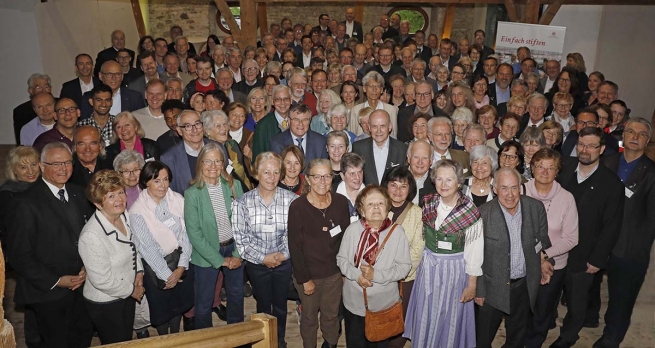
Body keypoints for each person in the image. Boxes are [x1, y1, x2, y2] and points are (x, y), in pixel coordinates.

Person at [7, 142, 94, 347]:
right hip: (49, 293)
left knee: (81, 339)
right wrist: (56, 280)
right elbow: (19, 254)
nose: (63, 168)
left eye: (67, 162)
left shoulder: (79, 193)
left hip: (83, 287)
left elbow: (90, 236)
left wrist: (88, 266)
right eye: (55, 164)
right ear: (42, 166)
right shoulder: (24, 202)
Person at [551, 127, 625, 348]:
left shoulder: (612, 184)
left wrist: (598, 259)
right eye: (581, 145)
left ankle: (568, 337)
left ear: (601, 149)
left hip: (584, 254)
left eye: (591, 146)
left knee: (576, 301)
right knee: (550, 295)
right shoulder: (564, 170)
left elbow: (612, 226)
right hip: (555, 249)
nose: (584, 150)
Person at [403, 159, 483, 347]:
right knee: (426, 314)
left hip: (454, 273)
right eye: (439, 179)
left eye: (449, 180)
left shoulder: (469, 211)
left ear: (458, 182)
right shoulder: (428, 202)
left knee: (449, 317)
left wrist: (472, 285)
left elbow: (475, 251)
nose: (443, 184)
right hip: (428, 270)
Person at [475, 167, 552, 348]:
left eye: (514, 188)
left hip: (523, 287)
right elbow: (475, 257)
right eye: (504, 188)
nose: (510, 194)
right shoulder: (482, 214)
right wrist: (479, 290)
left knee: (517, 338)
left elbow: (541, 241)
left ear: (521, 188)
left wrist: (544, 261)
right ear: (494, 189)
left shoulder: (535, 208)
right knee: (482, 339)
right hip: (492, 288)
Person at [597, 118, 655, 348]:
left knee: (621, 298)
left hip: (630, 248)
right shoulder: (607, 161)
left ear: (647, 141)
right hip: (602, 242)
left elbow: (652, 220)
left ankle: (612, 338)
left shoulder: (651, 173)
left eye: (641, 134)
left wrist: (638, 249)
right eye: (630, 131)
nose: (634, 136)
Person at [232, 152, 298, 348]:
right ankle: (262, 341)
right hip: (257, 265)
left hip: (283, 263)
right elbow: (242, 241)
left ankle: (279, 340)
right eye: (266, 172)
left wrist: (282, 255)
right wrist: (263, 258)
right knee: (262, 305)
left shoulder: (292, 200)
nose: (272, 177)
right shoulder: (242, 203)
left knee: (280, 305)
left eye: (276, 172)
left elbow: (294, 234)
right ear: (256, 174)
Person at [336, 185, 411, 347]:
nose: (376, 207)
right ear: (362, 211)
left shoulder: (397, 233)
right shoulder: (352, 230)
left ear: (387, 208)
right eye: (370, 204)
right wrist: (358, 276)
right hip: (354, 304)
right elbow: (341, 260)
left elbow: (404, 267)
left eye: (380, 203)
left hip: (383, 306)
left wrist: (375, 275)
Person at [288, 158, 350, 348]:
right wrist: (305, 279)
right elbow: (295, 247)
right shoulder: (298, 207)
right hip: (309, 276)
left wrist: (344, 272)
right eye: (317, 177)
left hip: (334, 274)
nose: (322, 181)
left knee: (331, 316)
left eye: (327, 176)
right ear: (308, 179)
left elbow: (345, 239)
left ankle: (330, 344)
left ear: (332, 178)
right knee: (308, 318)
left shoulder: (340, 202)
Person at [78, 170, 145, 344]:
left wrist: (139, 273)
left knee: (125, 339)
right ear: (98, 204)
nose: (120, 199)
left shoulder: (123, 216)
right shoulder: (91, 236)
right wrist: (133, 290)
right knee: (115, 342)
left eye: (121, 192)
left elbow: (134, 246)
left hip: (126, 292)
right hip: (106, 302)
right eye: (111, 196)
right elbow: (102, 281)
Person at [520, 148, 579, 347]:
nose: (544, 172)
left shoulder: (567, 198)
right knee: (520, 310)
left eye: (550, 167)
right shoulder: (520, 191)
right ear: (532, 168)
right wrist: (536, 256)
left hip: (553, 266)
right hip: (522, 262)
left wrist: (543, 255)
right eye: (540, 166)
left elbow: (572, 238)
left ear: (557, 171)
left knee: (542, 312)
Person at [129, 160, 195, 335]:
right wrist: (167, 276)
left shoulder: (178, 200)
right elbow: (147, 247)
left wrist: (181, 267)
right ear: (146, 182)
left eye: (166, 180)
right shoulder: (137, 211)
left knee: (179, 306)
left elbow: (188, 233)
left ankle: (175, 336)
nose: (163, 185)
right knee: (162, 311)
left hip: (180, 261)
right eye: (156, 180)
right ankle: (163, 339)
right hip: (156, 269)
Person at [184, 143, 245, 328]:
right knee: (204, 302)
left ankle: (237, 336)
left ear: (223, 163)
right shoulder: (192, 194)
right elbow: (194, 233)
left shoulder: (235, 186)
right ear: (200, 163)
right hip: (207, 254)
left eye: (217, 161)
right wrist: (219, 260)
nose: (213, 166)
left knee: (236, 296)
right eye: (208, 161)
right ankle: (207, 339)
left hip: (234, 247)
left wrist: (237, 254)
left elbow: (244, 222)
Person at [380, 166, 425, 348]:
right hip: (379, 278)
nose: (398, 191)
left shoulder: (418, 213)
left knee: (400, 321)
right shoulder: (378, 208)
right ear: (386, 186)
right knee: (380, 319)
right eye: (393, 185)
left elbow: (417, 250)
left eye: (403, 186)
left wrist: (397, 273)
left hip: (405, 279)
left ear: (410, 189)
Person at [161, 110, 225, 194]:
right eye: (187, 126)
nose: (194, 130)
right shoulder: (169, 158)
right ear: (179, 131)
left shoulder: (219, 148)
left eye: (197, 124)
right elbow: (169, 194)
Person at [352, 110, 408, 186]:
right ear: (369, 127)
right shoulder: (358, 148)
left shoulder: (402, 149)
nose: (378, 131)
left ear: (390, 126)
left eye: (382, 126)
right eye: (374, 126)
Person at [202, 110, 253, 191]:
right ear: (207, 131)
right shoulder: (206, 152)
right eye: (218, 126)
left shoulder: (232, 145)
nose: (224, 128)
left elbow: (245, 174)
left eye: (225, 124)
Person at [0, 146, 40, 249]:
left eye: (33, 165)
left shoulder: (44, 185)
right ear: (13, 170)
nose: (30, 171)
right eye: (23, 167)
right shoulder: (7, 195)